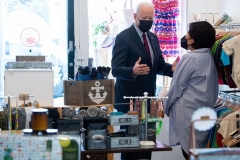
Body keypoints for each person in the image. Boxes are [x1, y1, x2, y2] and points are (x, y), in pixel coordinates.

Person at [111, 2, 179, 160]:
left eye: (151, 18)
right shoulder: (123, 37)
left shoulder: (153, 38)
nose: (148, 21)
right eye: (145, 18)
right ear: (135, 17)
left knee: (148, 143)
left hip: (148, 101)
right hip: (129, 103)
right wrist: (132, 71)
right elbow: (115, 69)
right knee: (131, 145)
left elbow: (158, 65)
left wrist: (172, 69)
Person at [164, 21, 219, 160]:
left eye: (188, 35)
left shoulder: (190, 58)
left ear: (195, 38)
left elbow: (176, 85)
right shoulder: (208, 56)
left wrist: (166, 106)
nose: (186, 37)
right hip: (204, 111)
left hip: (188, 112)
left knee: (189, 152)